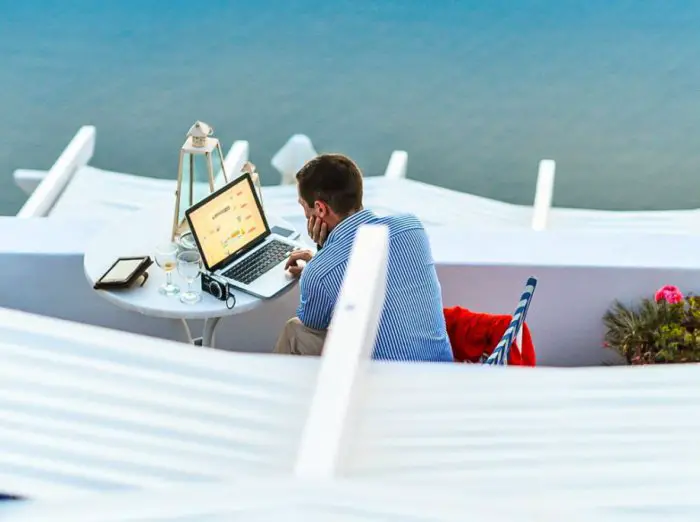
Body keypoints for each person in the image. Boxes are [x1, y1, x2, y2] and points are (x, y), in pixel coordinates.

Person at [273, 153, 453, 362]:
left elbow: (314, 324)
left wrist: (321, 257)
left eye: (304, 205)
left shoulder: (319, 272)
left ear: (320, 208)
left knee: (295, 331)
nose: (305, 213)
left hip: (389, 379)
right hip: (441, 368)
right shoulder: (412, 227)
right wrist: (321, 263)